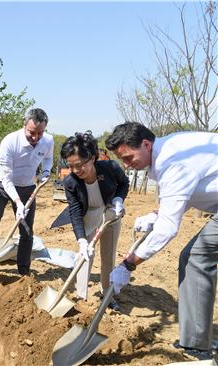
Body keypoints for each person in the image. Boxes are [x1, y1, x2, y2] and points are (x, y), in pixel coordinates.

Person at [105, 121, 218, 360]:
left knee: (196, 257)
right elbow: (182, 197)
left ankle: (197, 345)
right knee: (194, 256)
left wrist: (128, 265)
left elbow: (168, 229)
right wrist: (155, 215)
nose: (126, 165)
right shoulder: (170, 149)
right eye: (122, 160)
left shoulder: (173, 161)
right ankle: (197, 340)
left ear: (146, 144)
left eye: (128, 157)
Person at [0, 108, 54, 275]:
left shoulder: (48, 141)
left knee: (26, 229)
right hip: (2, 184)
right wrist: (18, 203)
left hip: (27, 187)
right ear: (24, 125)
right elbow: (7, 178)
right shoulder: (10, 142)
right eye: (32, 132)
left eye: (40, 133)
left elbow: (48, 159)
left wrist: (46, 172)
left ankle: (24, 270)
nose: (35, 138)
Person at [61, 131, 128, 310]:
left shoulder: (110, 168)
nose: (76, 170)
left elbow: (124, 183)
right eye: (71, 166)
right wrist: (82, 240)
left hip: (109, 212)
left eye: (80, 165)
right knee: (84, 256)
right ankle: (81, 296)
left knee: (108, 255)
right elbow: (74, 211)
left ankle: (108, 295)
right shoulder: (70, 182)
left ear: (91, 158)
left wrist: (118, 200)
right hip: (87, 215)